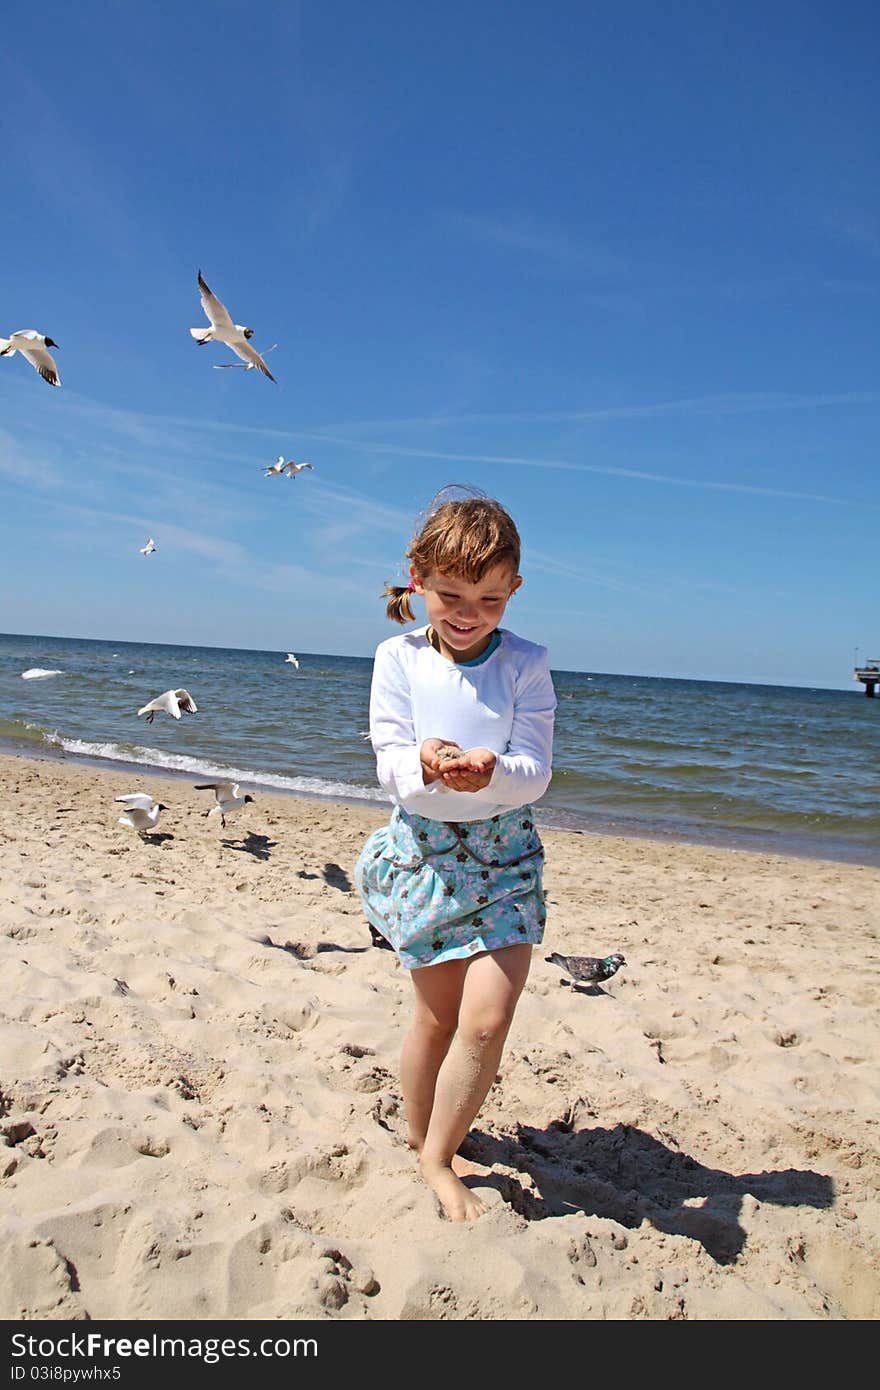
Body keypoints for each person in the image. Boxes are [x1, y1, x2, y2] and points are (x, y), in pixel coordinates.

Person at [355, 490, 556, 1221]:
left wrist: (490, 768)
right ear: (417, 580)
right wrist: (429, 760)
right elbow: (387, 755)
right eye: (451, 595)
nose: (469, 612)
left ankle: (440, 1159)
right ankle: (419, 1138)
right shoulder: (397, 657)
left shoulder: (527, 664)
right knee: (436, 1020)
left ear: (514, 591)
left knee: (485, 1021)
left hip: (505, 860)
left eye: (490, 599)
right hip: (426, 854)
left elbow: (536, 767)